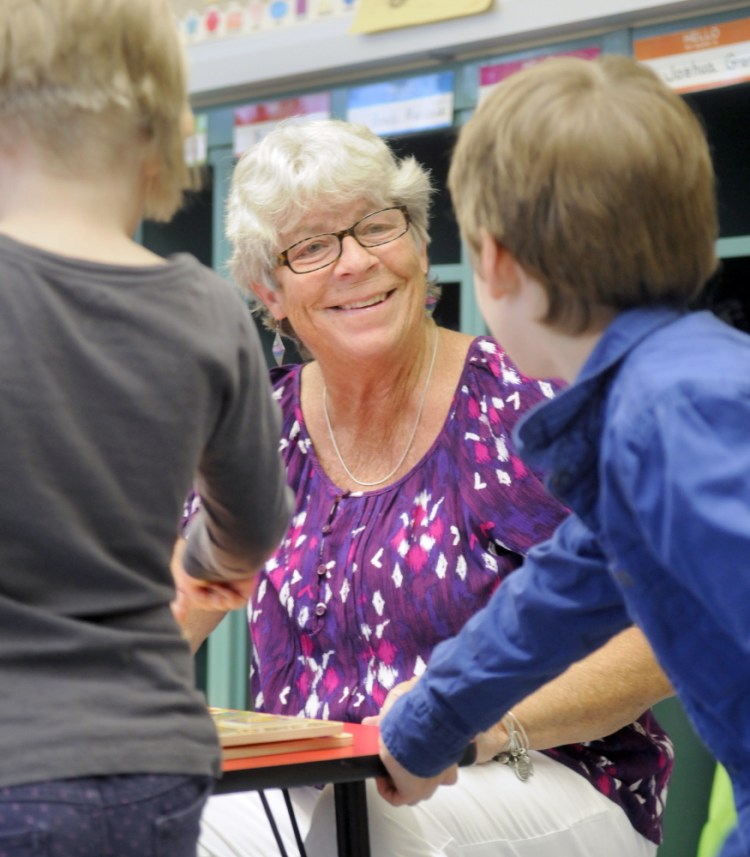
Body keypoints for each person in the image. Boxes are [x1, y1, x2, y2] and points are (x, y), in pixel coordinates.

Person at [176, 118, 675, 857]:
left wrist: (480, 721)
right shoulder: (255, 430)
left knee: (365, 833)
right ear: (267, 290)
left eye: (377, 226)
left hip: (538, 770)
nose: (354, 263)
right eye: (310, 247)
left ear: (417, 240)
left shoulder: (532, 401)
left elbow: (663, 628)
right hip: (320, 783)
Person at [375, 53, 750, 857]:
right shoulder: (660, 402)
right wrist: (423, 725)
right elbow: (558, 595)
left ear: (499, 264)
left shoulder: (677, 411)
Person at [0, 1, 292, 854]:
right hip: (152, 755)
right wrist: (208, 563)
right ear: (160, 146)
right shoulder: (205, 306)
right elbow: (252, 523)